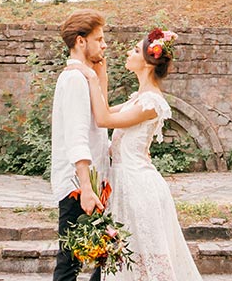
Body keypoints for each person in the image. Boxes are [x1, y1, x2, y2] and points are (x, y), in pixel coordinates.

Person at [77, 28, 203, 281]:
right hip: (126, 183)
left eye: (134, 50)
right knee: (126, 257)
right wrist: (101, 76)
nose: (128, 52)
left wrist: (90, 77)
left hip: (139, 185)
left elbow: (104, 119)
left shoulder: (152, 102)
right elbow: (103, 109)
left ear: (147, 63)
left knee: (146, 256)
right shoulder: (139, 98)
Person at [51, 10, 111, 281]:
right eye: (98, 39)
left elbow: (101, 119)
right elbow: (76, 137)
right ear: (80, 41)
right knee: (69, 265)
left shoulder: (83, 76)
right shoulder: (75, 79)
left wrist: (101, 76)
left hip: (92, 184)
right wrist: (86, 189)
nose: (104, 44)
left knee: (104, 259)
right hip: (79, 187)